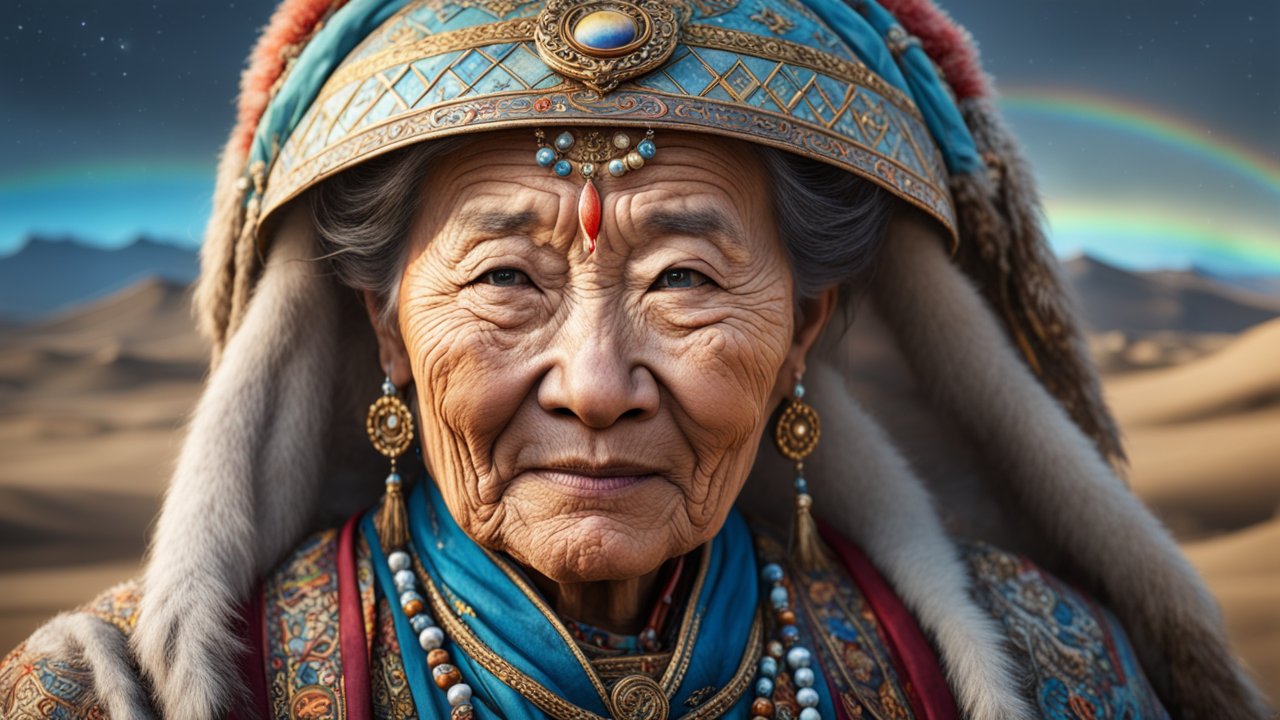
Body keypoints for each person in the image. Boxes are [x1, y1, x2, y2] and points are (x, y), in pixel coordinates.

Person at [1, 0, 1269, 718]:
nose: (596, 384)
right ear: (383, 327)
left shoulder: (1044, 670)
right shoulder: (102, 699)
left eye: (684, 281)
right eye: (504, 280)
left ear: (803, 331)